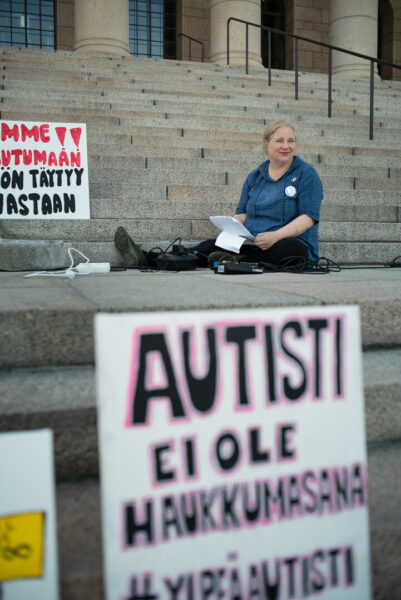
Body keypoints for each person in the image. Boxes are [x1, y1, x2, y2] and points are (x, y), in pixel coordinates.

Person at [114, 118, 323, 268]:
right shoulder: (255, 176)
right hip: (252, 244)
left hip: (287, 244)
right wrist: (231, 225)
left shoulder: (306, 174)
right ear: (266, 145)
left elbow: (308, 218)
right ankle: (145, 258)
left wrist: (275, 236)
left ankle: (237, 262)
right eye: (279, 141)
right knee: (207, 246)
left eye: (291, 140)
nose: (286, 146)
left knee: (289, 249)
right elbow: (242, 214)